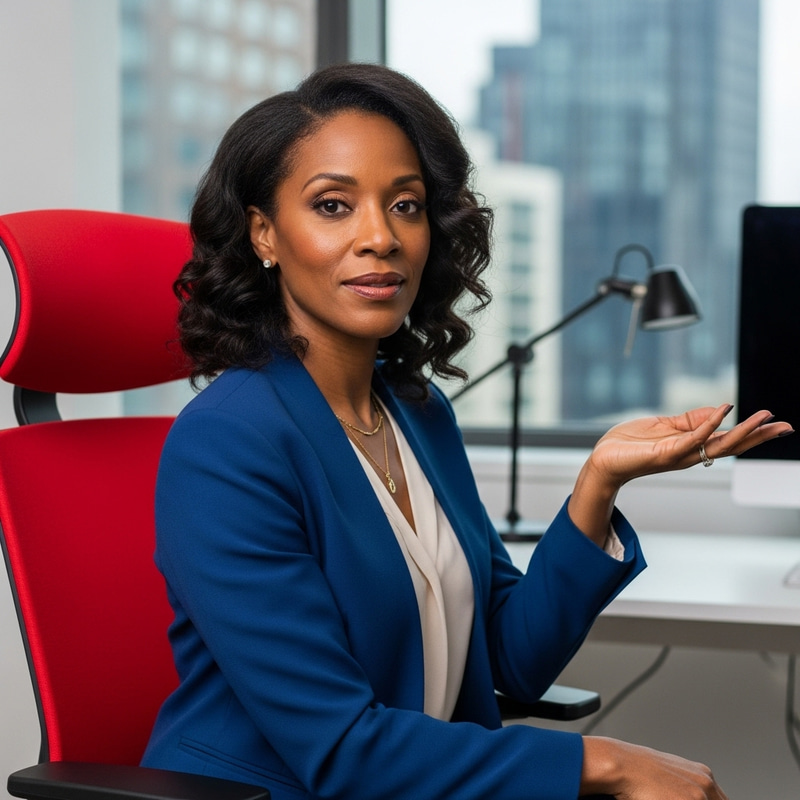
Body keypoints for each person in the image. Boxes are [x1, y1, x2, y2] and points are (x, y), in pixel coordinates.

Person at [141, 62, 793, 800]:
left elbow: (512, 660)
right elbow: (342, 750)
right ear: (265, 234)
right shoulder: (226, 444)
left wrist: (598, 482)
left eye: (406, 205)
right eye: (332, 206)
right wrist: (606, 762)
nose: (380, 237)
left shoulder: (415, 411)